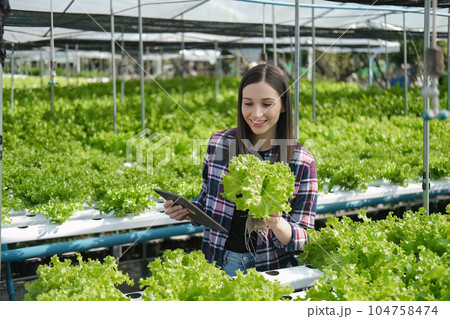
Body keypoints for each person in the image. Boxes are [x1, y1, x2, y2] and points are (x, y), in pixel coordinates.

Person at [164, 63, 318, 276]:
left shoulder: (301, 160)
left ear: (283, 105)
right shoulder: (220, 143)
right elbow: (207, 199)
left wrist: (278, 223)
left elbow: (305, 240)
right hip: (220, 261)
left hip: (273, 270)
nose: (256, 113)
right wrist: (187, 211)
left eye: (267, 104)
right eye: (248, 103)